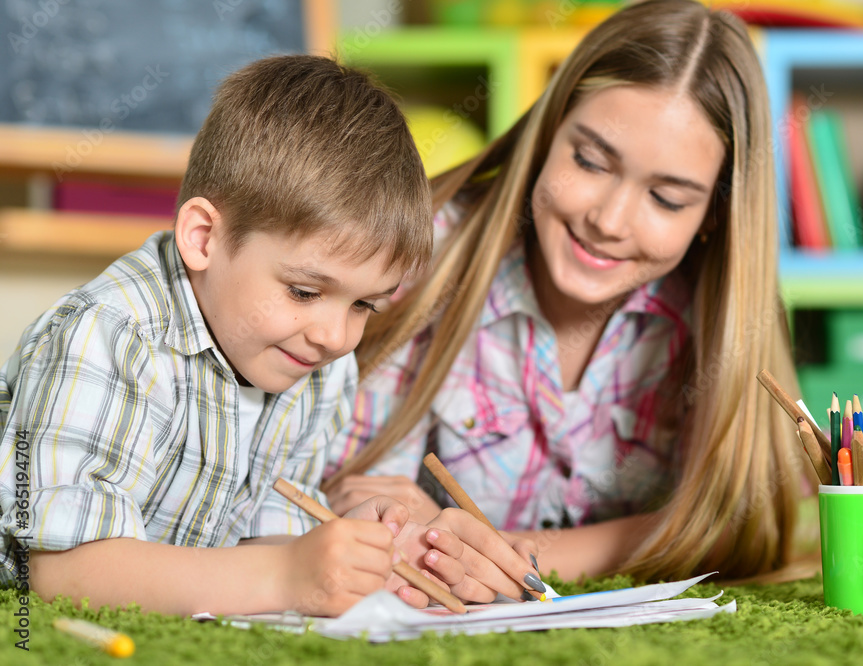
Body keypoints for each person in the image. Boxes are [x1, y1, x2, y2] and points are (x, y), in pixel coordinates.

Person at [0, 55, 541, 618]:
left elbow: (256, 548)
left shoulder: (317, 369)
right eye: (304, 292)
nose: (335, 336)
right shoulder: (111, 334)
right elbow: (61, 571)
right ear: (203, 238)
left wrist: (357, 559)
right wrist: (284, 575)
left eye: (364, 304)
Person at [324, 0, 808, 584]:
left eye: (666, 199)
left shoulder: (715, 307)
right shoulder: (426, 253)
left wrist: (511, 555)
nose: (609, 220)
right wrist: (412, 532)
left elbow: (736, 519)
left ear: (712, 213)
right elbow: (354, 495)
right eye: (590, 161)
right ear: (549, 132)